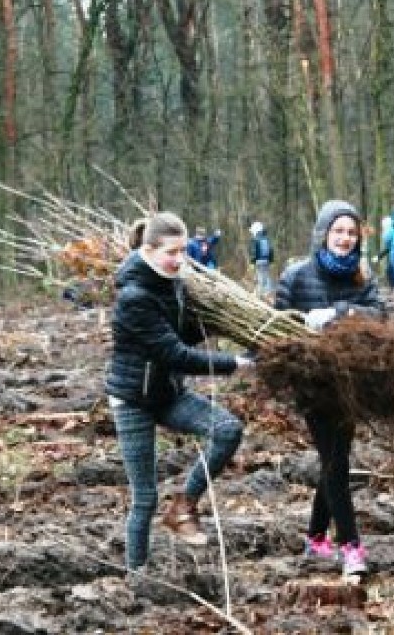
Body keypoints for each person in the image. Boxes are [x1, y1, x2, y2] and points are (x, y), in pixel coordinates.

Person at [106, 212, 254, 570]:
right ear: (148, 250)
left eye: (183, 251)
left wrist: (229, 326)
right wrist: (234, 362)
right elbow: (174, 353)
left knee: (228, 430)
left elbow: (179, 336)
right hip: (133, 400)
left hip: (168, 392)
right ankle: (136, 577)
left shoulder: (171, 281)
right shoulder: (133, 296)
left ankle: (185, 505)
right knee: (145, 498)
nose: (179, 260)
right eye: (171, 252)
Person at [274, 199, 384, 580]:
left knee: (334, 458)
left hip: (350, 383)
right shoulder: (296, 276)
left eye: (352, 233)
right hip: (312, 383)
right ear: (323, 233)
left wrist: (341, 314)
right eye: (339, 231)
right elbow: (277, 325)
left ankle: (316, 537)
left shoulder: (361, 277)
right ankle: (351, 546)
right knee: (337, 463)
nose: (345, 239)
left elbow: (381, 315)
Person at [249, 221, 275, 297]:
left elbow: (254, 252)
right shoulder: (266, 239)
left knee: (260, 277)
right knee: (266, 276)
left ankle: (259, 294)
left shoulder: (256, 239)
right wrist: (271, 261)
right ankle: (268, 292)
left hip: (259, 261)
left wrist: (252, 263)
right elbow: (271, 250)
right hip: (266, 261)